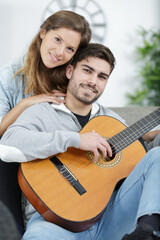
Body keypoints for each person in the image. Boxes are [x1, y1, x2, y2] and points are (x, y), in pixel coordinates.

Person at [0, 43, 160, 240]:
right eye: (87, 71)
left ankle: (147, 232)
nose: (93, 81)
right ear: (69, 71)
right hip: (54, 222)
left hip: (110, 219)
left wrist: (155, 137)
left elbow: (145, 166)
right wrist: (74, 139)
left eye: (102, 77)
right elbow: (6, 146)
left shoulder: (113, 121)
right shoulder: (41, 111)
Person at [0, 10, 91, 137]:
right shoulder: (8, 75)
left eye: (70, 49)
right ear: (43, 32)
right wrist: (26, 103)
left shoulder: (73, 79)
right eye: (58, 40)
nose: (60, 52)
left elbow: (88, 122)